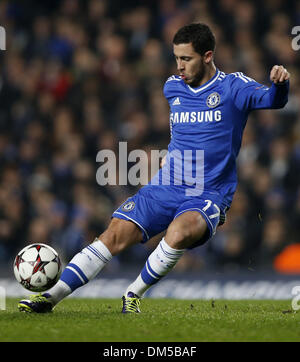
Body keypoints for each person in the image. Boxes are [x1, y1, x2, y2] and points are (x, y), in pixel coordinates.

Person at [18, 23, 290, 313]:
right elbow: (183, 132)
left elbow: (274, 100)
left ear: (208, 56)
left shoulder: (234, 87)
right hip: (166, 185)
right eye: (176, 58)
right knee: (114, 233)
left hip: (207, 192)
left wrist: (281, 83)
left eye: (187, 59)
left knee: (180, 230)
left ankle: (133, 293)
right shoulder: (172, 88)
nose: (179, 66)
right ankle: (50, 297)